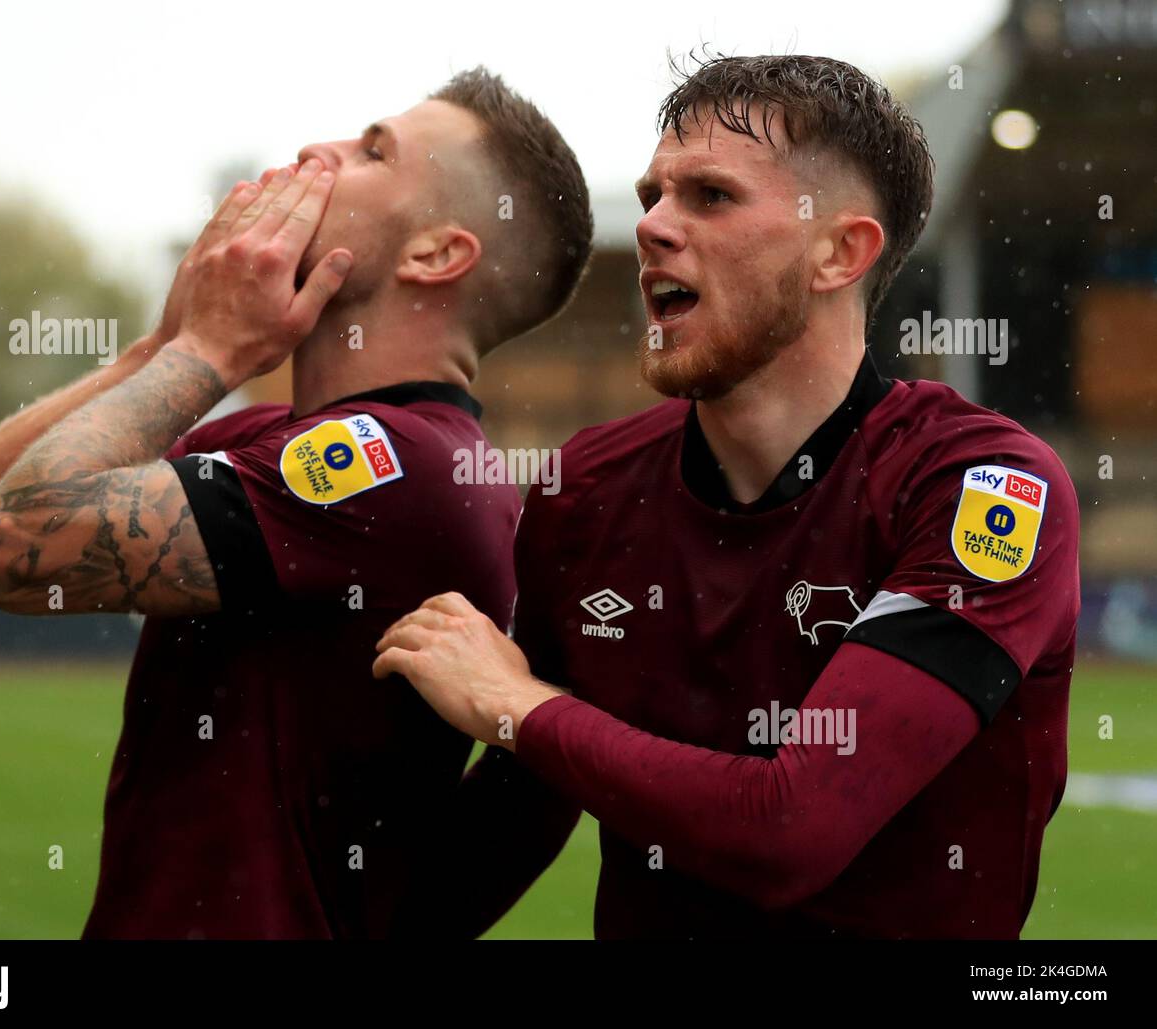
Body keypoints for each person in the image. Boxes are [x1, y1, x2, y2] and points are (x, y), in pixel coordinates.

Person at [374, 54, 1080, 939]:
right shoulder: (585, 493)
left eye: (709, 196)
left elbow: (792, 828)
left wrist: (520, 704)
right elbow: (523, 808)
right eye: (651, 197)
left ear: (839, 251)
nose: (653, 227)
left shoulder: (977, 486)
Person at [0, 68, 593, 939]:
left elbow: (11, 544)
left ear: (437, 255)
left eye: (371, 150)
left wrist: (207, 351)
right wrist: (160, 348)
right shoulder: (278, 436)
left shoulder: (397, 463)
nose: (317, 152)